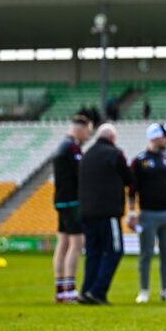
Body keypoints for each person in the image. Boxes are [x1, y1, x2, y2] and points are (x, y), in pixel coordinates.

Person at [128, 123, 166, 304]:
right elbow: (132, 190)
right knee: (146, 253)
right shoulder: (139, 161)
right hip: (148, 213)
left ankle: (165, 290)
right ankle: (144, 290)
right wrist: (132, 212)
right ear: (155, 137)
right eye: (165, 136)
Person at [77, 124, 132, 305]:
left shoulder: (87, 155)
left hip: (87, 212)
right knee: (114, 251)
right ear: (113, 138)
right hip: (108, 212)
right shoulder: (114, 153)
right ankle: (98, 291)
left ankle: (86, 291)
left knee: (93, 253)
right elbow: (129, 178)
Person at [51, 115, 92, 303]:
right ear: (80, 128)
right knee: (77, 244)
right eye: (88, 131)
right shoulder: (72, 147)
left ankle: (60, 290)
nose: (89, 135)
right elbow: (81, 175)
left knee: (63, 243)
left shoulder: (62, 145)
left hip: (60, 200)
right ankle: (70, 290)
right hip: (73, 202)